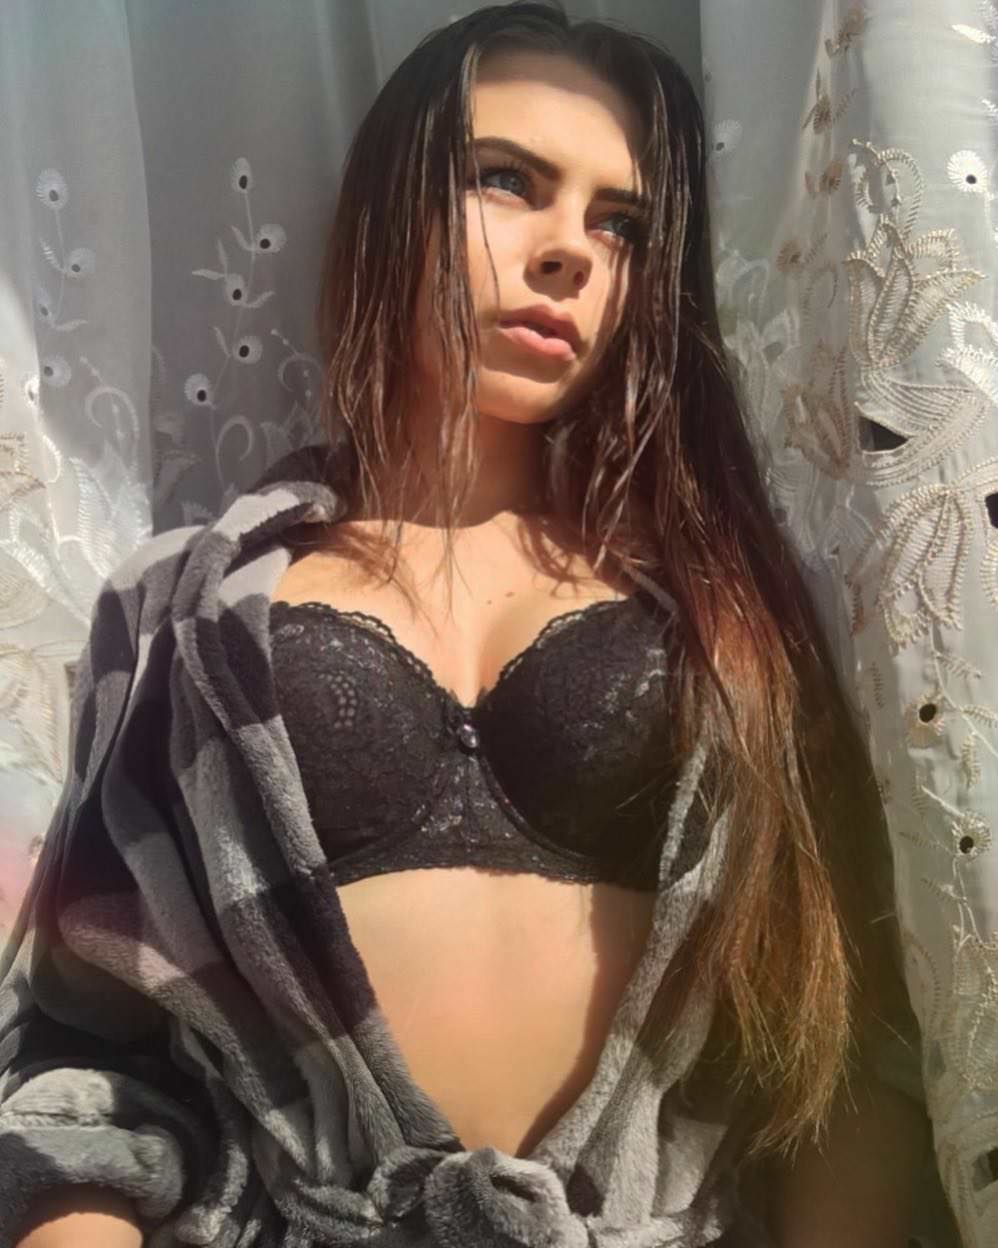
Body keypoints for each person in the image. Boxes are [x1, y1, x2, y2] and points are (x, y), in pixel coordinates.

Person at [1, 3, 928, 1245]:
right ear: (389, 201)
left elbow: (832, 1055)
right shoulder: (181, 612)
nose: (569, 252)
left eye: (621, 224)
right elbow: (91, 1047)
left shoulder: (728, 612)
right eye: (506, 180)